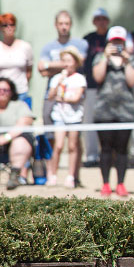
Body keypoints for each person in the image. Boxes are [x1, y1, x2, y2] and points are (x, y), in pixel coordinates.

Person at [37, 11, 87, 175]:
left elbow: (79, 65)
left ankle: (74, 175)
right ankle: (51, 173)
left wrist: (51, 66)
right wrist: (65, 64)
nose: (64, 27)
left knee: (74, 140)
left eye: (67, 23)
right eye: (61, 23)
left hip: (74, 100)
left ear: (70, 25)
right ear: (56, 25)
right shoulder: (48, 47)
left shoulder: (81, 44)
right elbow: (41, 70)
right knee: (52, 137)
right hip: (52, 97)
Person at [92, 26, 134, 197]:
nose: (117, 45)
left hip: (125, 111)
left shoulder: (131, 60)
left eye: (120, 42)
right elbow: (98, 77)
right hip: (103, 111)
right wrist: (105, 57)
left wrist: (126, 61)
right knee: (105, 148)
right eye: (114, 42)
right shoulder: (99, 57)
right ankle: (105, 184)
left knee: (122, 149)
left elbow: (132, 81)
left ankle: (120, 184)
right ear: (109, 42)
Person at [47, 45, 86, 188]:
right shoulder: (57, 78)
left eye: (69, 60)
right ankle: (53, 174)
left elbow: (76, 98)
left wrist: (63, 98)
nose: (67, 64)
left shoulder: (79, 79)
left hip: (74, 117)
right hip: (59, 116)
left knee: (72, 146)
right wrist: (59, 82)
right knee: (58, 145)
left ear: (75, 62)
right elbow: (51, 96)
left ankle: (71, 176)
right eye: (64, 60)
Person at [81, 8, 111, 166]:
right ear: (94, 21)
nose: (101, 22)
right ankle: (92, 156)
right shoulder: (88, 39)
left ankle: (111, 154)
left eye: (104, 19)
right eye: (98, 19)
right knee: (90, 121)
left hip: (111, 87)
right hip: (92, 86)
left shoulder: (113, 38)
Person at [0, 76, 35, 190]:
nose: (2, 92)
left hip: (13, 140)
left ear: (11, 92)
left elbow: (25, 122)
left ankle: (14, 175)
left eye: (6, 90)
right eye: (0, 89)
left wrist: (5, 138)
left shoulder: (19, 105)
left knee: (20, 142)